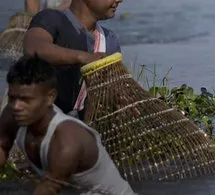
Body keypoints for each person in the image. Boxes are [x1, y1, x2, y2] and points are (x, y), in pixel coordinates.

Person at [0, 55, 136, 195]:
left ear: (50, 97)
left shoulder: (67, 141)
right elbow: (2, 146)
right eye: (12, 97)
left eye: (25, 99)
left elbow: (48, 189)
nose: (16, 106)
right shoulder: (12, 114)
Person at [23, 0, 124, 119]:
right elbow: (32, 47)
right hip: (38, 122)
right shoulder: (51, 19)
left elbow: (112, 90)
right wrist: (83, 58)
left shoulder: (109, 40)